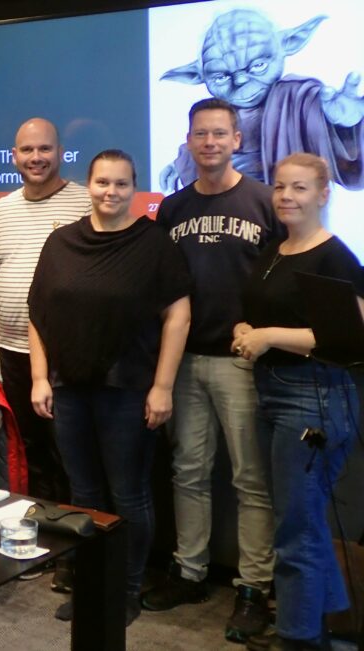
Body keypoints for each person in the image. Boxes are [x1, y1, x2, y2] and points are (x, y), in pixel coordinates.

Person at [28, 150, 192, 627]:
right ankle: (91, 587)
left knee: (129, 495)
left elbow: (178, 316)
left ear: (134, 188)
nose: (111, 192)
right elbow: (38, 313)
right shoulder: (61, 242)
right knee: (82, 493)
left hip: (129, 391)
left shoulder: (154, 244)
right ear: (89, 184)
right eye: (102, 182)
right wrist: (39, 377)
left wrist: (163, 386)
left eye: (121, 184)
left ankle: (125, 591)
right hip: (70, 388)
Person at [144, 98, 283, 644]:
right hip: (183, 361)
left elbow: (286, 275)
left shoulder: (264, 202)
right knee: (188, 472)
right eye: (200, 134)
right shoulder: (173, 209)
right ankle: (190, 572)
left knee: (251, 479)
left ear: (236, 139)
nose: (209, 143)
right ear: (188, 140)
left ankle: (253, 589)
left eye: (219, 134)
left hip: (241, 362)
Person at [233, 153, 363, 651]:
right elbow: (269, 313)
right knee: (300, 523)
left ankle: (298, 638)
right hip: (273, 393)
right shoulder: (278, 248)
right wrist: (248, 329)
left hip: (313, 399)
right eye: (280, 186)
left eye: (300, 188)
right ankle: (322, 630)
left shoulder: (334, 258)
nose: (286, 196)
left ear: (324, 194)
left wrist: (268, 335)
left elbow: (347, 337)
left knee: (296, 531)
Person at [0, 117, 90, 589]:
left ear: (60, 152)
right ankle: (48, 540)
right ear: (14, 156)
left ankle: (74, 548)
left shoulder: (84, 201)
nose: (36, 158)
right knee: (33, 452)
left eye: (44, 149)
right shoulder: (3, 208)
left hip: (62, 354)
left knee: (68, 452)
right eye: (26, 150)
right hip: (12, 349)